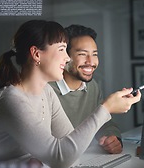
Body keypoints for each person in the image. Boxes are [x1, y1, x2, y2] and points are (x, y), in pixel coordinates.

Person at [0, 20, 141, 168]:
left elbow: (69, 139)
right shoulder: (10, 99)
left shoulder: (46, 92)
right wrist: (106, 108)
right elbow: (60, 157)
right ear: (36, 54)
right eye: (61, 50)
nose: (67, 58)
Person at [50, 24, 123, 154]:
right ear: (65, 57)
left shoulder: (92, 86)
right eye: (82, 54)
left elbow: (105, 124)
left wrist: (113, 138)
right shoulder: (46, 90)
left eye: (94, 54)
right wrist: (107, 107)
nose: (91, 61)